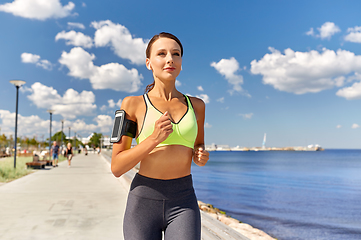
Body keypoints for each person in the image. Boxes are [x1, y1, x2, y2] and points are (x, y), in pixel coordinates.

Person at [111, 32, 209, 240]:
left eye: (176, 54)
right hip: (143, 202)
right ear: (149, 63)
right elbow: (117, 167)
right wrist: (154, 139)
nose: (170, 59)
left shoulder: (197, 106)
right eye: (161, 54)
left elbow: (198, 145)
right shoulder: (131, 105)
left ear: (181, 62)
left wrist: (199, 156)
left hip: (184, 201)